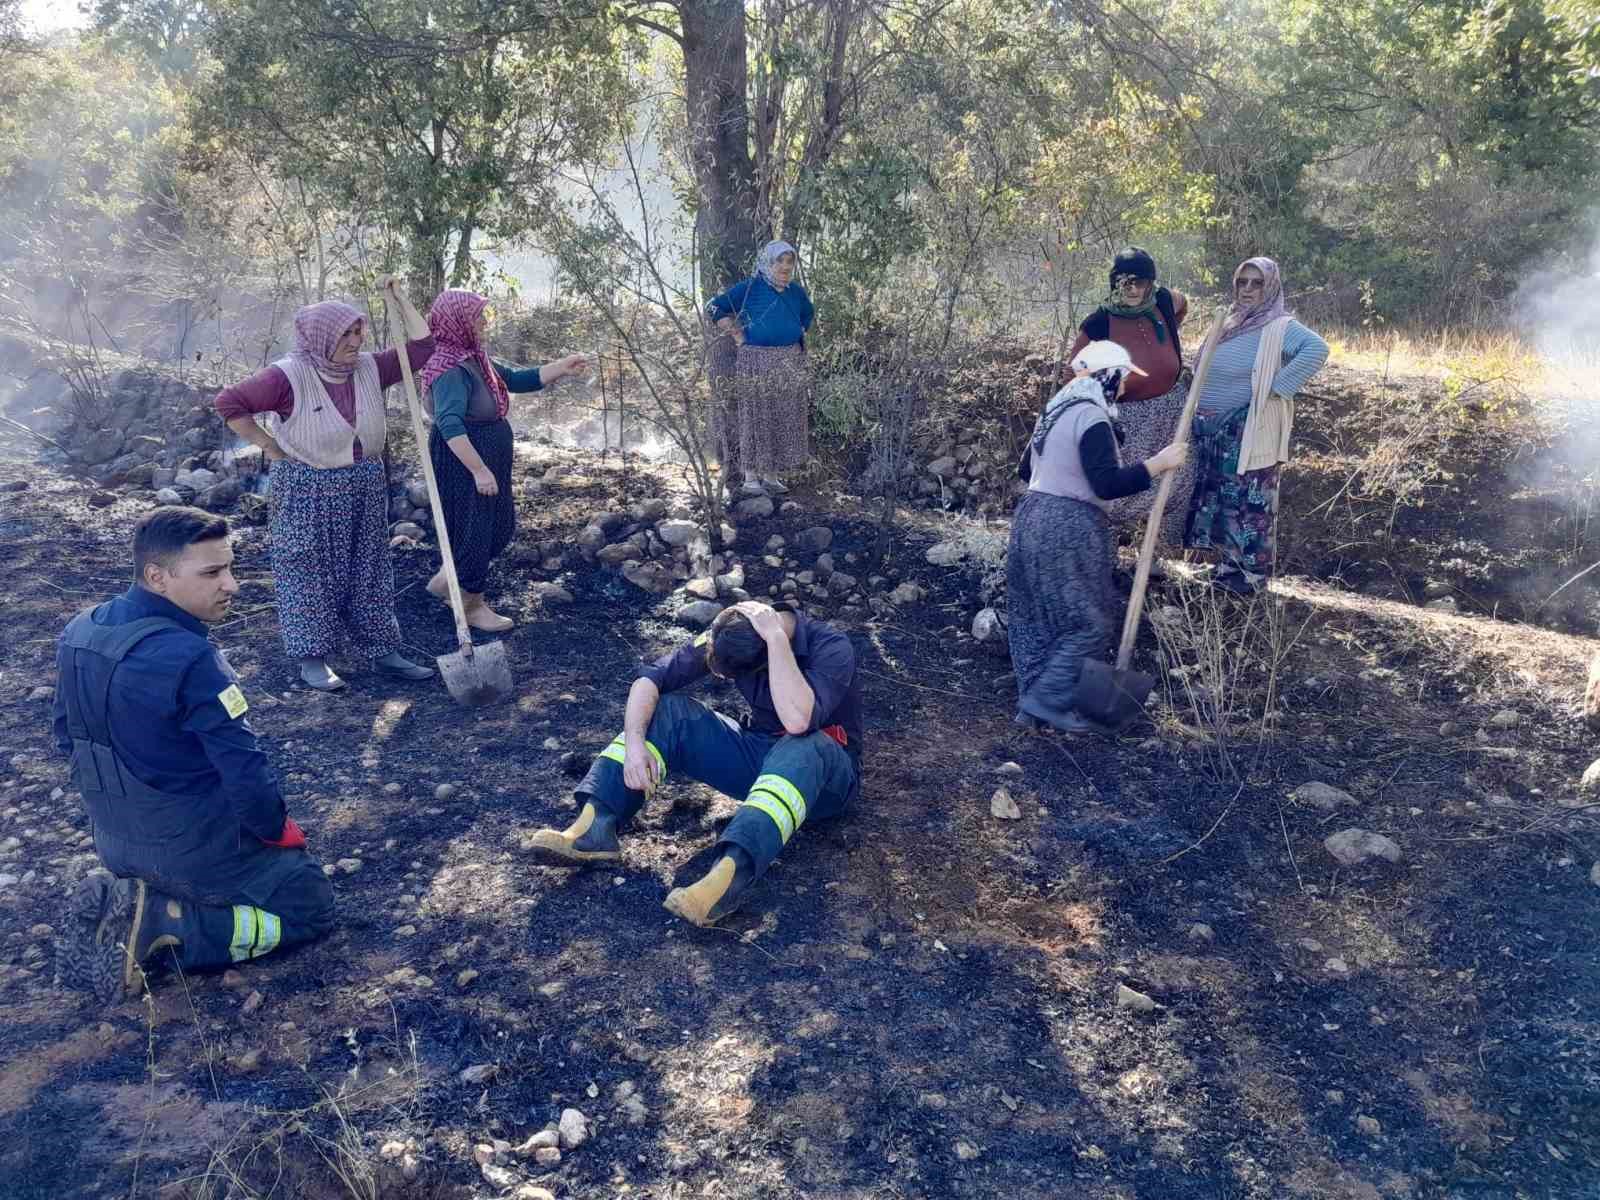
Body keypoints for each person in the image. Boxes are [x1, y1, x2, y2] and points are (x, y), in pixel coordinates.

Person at [50, 507, 334, 1005]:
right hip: (189, 849)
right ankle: (171, 927)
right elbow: (246, 772)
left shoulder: (80, 630)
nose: (232, 585)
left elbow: (65, 738)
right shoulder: (193, 658)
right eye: (211, 573)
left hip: (114, 842)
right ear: (157, 576)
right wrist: (274, 830)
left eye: (230, 568)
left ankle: (136, 904)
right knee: (309, 903)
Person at [527, 601, 860, 927]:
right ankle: (594, 826)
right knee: (668, 710)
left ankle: (728, 878)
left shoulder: (831, 646)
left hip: (823, 778)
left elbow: (798, 721)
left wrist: (776, 641)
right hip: (760, 756)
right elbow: (651, 678)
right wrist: (634, 745)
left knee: (804, 743)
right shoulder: (735, 626)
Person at [216, 278, 436, 691]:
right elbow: (229, 403)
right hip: (307, 483)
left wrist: (400, 298)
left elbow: (424, 348)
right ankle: (313, 660)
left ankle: (383, 650)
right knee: (308, 568)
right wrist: (270, 446)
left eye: (357, 331)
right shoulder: (287, 376)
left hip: (363, 481)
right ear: (320, 338)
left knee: (370, 565)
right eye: (344, 334)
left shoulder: (370, 366)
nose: (355, 341)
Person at [1009, 341, 1189, 732]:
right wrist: (1159, 463)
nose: (1123, 388)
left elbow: (1026, 470)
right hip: (1068, 524)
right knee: (1089, 622)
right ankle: (1046, 700)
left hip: (1030, 516)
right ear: (1107, 376)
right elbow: (1106, 484)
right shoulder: (1091, 415)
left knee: (1036, 617)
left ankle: (1032, 707)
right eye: (1121, 379)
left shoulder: (1055, 410)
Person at [415, 290, 589, 631]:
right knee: (476, 531)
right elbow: (449, 424)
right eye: (478, 317)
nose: (485, 322)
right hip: (464, 459)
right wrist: (478, 470)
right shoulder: (450, 368)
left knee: (499, 527)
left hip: (486, 454)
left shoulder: (473, 357)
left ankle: (447, 580)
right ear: (458, 322)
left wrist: (562, 367)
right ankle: (471, 604)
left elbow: (515, 379)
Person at [1183, 256, 1329, 594]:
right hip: (1213, 430)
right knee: (1222, 499)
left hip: (1247, 427)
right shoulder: (1230, 321)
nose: (1248, 289)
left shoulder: (1278, 326)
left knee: (1250, 500)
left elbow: (1316, 349)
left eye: (1257, 283)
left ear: (1271, 287)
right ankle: (1226, 567)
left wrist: (1276, 389)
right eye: (1242, 282)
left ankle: (1251, 575)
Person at [1065, 246, 1196, 547]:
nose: (1133, 289)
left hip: (1173, 408)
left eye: (1140, 282)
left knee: (1180, 476)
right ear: (1115, 283)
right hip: (1129, 416)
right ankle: (1107, 549)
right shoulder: (1099, 323)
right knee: (1124, 486)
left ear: (1151, 283)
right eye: (1125, 282)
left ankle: (1161, 551)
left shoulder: (1164, 302)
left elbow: (1183, 304)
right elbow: (1075, 373)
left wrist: (1171, 329)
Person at [705, 241, 815, 496]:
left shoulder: (795, 292)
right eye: (780, 261)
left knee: (781, 418)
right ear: (768, 262)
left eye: (789, 262)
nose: (785, 267)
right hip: (756, 361)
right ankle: (750, 479)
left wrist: (796, 331)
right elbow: (714, 306)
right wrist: (736, 333)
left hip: (788, 363)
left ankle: (771, 477)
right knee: (755, 417)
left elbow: (807, 314)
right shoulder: (751, 287)